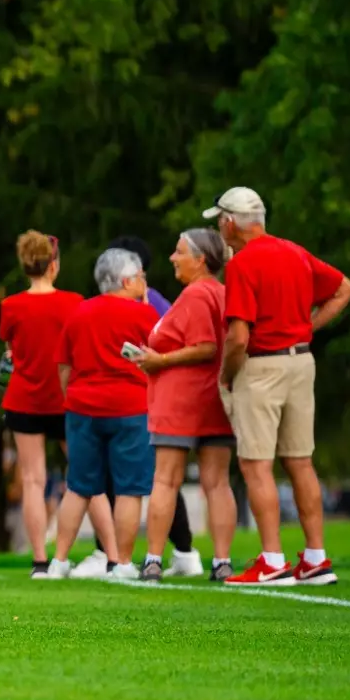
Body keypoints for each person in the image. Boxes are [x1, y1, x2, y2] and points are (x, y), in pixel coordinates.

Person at [210, 187, 350, 585]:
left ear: (229, 222)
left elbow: (239, 336)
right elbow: (345, 289)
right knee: (300, 461)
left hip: (261, 367)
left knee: (256, 465)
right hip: (301, 362)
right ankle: (315, 558)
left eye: (218, 220)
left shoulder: (241, 264)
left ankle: (272, 561)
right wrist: (307, 328)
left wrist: (225, 374)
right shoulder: (294, 251)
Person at [0, 231, 115, 578]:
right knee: (87, 477)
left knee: (33, 481)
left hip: (24, 398)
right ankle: (113, 555)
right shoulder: (74, 302)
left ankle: (39, 561)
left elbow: (12, 349)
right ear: (54, 264)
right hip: (67, 400)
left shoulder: (11, 306)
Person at [44, 248, 159, 580]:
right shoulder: (145, 315)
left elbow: (64, 365)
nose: (143, 282)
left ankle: (59, 561)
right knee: (129, 489)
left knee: (79, 486)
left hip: (82, 409)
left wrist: (73, 399)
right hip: (131, 408)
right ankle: (122, 563)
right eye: (139, 276)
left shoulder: (80, 312)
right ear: (126, 280)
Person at [135, 229, 236, 582]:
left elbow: (205, 346)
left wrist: (159, 361)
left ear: (200, 260)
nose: (172, 258)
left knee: (165, 481)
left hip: (181, 401)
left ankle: (152, 561)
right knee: (218, 483)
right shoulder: (224, 293)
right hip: (216, 400)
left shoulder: (195, 295)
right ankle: (221, 562)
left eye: (179, 252)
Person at [109, 234, 199, 569]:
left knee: (162, 477)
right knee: (158, 477)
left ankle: (182, 550)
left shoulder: (157, 305)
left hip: (151, 400)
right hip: (135, 400)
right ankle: (182, 553)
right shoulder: (125, 302)